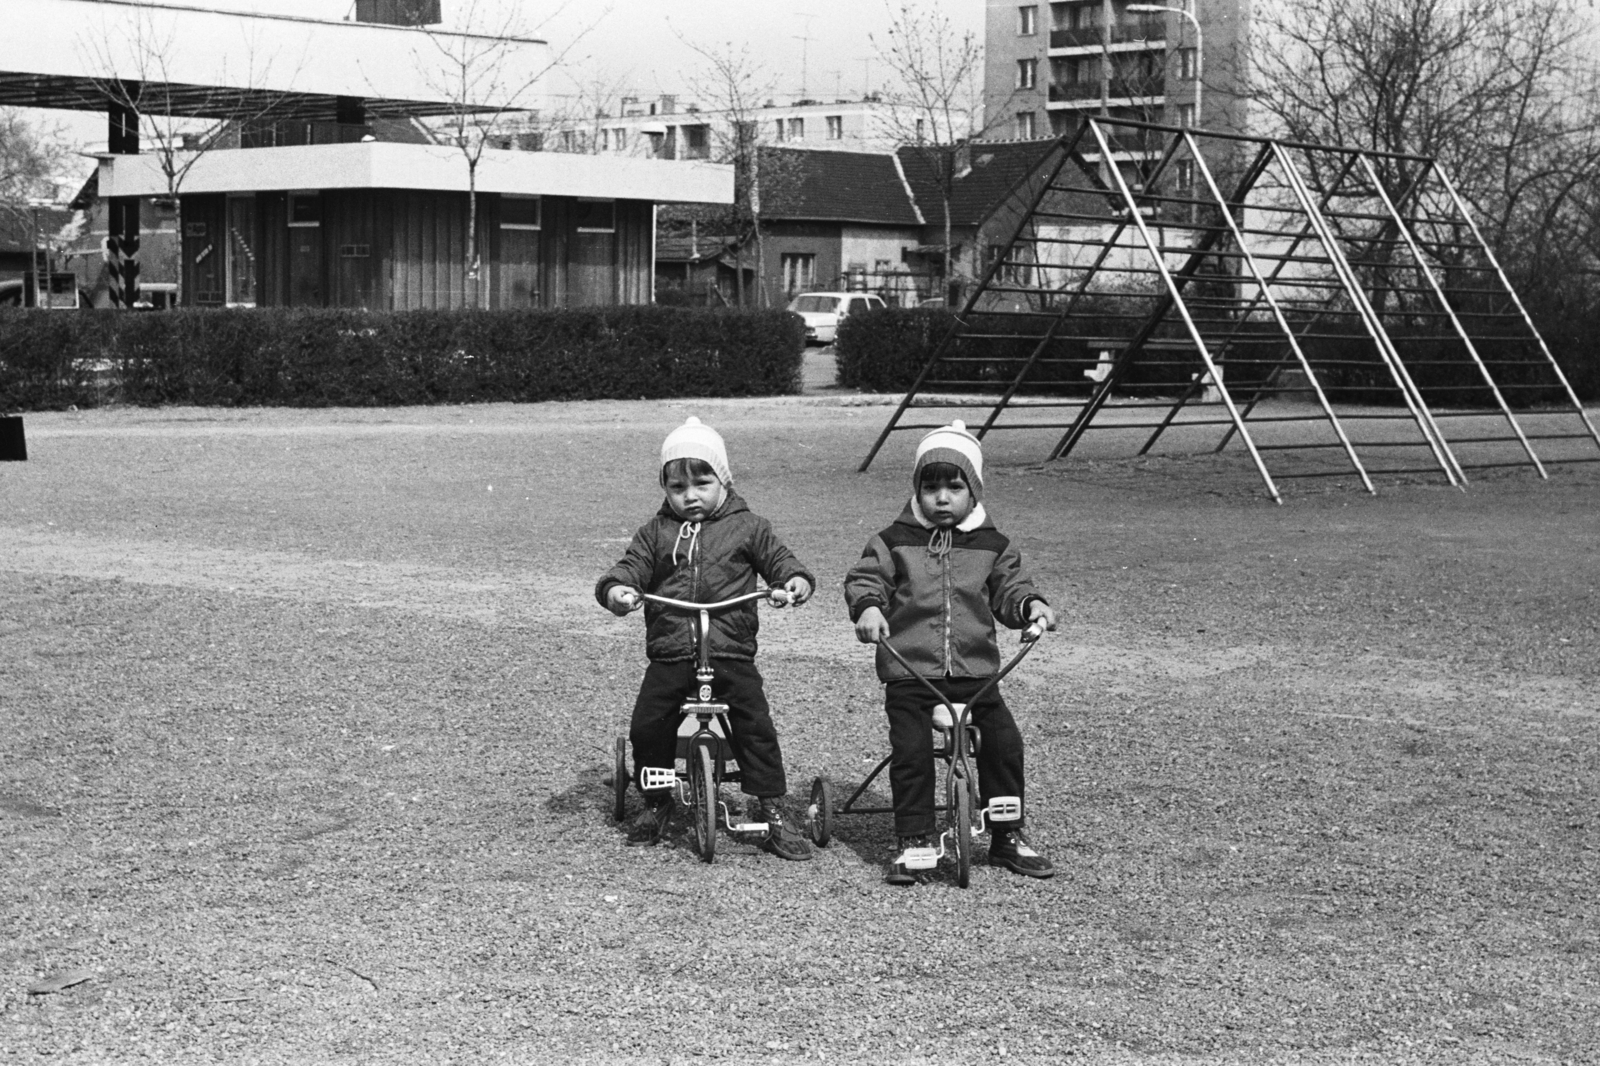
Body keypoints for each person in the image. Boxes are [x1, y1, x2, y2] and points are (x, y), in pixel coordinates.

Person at [843, 421, 1057, 884]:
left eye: (954, 487)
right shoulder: (893, 541)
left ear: (974, 492)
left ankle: (1006, 834)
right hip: (910, 672)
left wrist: (1030, 606)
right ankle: (914, 839)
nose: (942, 497)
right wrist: (869, 609)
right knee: (912, 749)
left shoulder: (993, 545)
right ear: (916, 490)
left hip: (975, 673)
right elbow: (865, 579)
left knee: (1004, 744)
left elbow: (1010, 589)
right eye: (930, 486)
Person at [597, 416, 816, 861]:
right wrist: (618, 590)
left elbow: (782, 561)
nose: (690, 496)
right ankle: (656, 799)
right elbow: (629, 567)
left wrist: (793, 582)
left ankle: (772, 807)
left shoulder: (749, 527)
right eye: (677, 487)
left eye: (702, 482)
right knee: (650, 721)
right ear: (665, 489)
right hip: (673, 650)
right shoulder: (656, 532)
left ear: (724, 479)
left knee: (754, 724)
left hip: (729, 648)